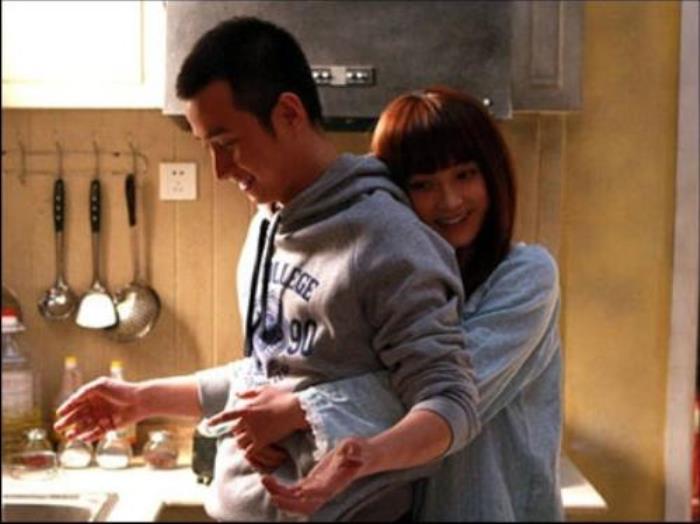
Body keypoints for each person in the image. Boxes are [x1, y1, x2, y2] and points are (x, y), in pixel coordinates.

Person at [53, 17, 481, 522]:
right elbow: (271, 371)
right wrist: (143, 400)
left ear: (288, 113)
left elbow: (451, 402)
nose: (219, 170)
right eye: (208, 148)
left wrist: (365, 454)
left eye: (227, 143)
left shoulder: (388, 240)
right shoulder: (267, 224)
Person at [247, 87, 564, 521]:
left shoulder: (526, 276)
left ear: (493, 175)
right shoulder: (393, 281)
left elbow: (448, 389)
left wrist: (298, 409)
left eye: (465, 175)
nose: (450, 200)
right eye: (423, 184)